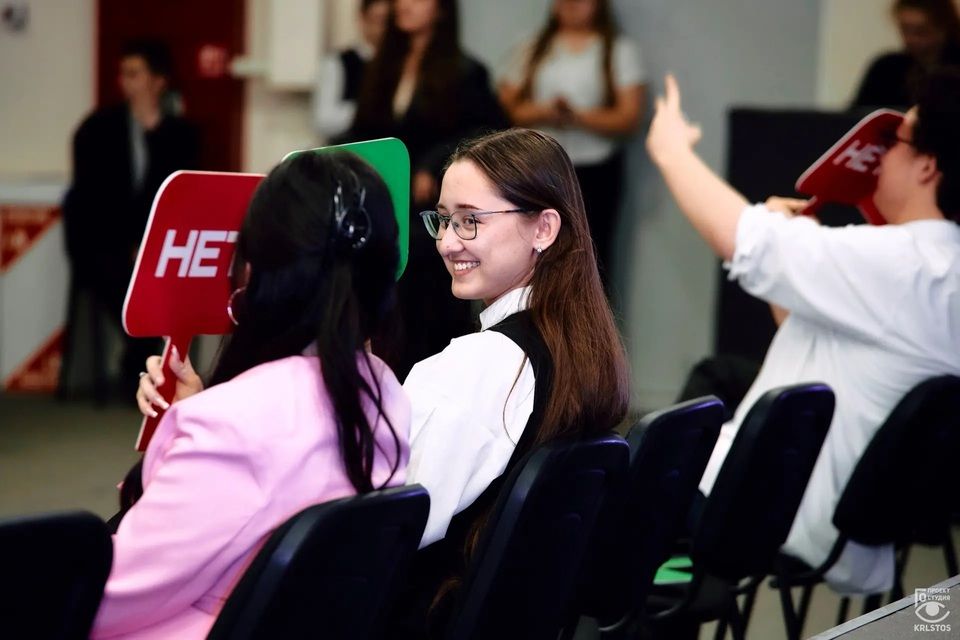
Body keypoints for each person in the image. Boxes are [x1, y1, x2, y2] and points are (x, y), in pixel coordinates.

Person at [647, 71, 960, 594]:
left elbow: (749, 243)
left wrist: (671, 151)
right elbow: (810, 333)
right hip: (840, 520)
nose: (880, 156)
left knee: (607, 504)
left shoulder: (904, 263)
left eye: (895, 142)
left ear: (928, 165)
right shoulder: (938, 269)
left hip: (775, 511)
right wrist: (795, 259)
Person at [94, 151, 410, 639]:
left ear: (256, 270)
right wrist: (200, 414)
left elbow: (106, 599)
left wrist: (199, 428)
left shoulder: (234, 429)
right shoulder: (383, 391)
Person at [395, 128, 631, 636]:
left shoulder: (479, 364)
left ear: (543, 228)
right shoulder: (584, 346)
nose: (446, 242)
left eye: (470, 221)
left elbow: (394, 527)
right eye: (443, 219)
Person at [347, 0, 510, 379]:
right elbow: (362, 130)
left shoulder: (465, 71)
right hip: (383, 203)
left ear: (441, 9)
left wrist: (434, 164)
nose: (404, 5)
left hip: (431, 209)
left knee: (426, 302)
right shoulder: (380, 66)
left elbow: (488, 132)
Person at [62, 40, 199, 397]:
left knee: (172, 278)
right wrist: (129, 244)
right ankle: (141, 361)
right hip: (104, 243)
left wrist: (148, 244)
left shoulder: (180, 134)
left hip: (156, 243)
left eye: (135, 73)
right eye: (124, 74)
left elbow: (179, 198)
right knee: (122, 278)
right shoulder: (98, 129)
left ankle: (140, 365)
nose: (126, 82)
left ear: (159, 80)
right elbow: (93, 199)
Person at [498, 0, 645, 290]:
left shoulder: (618, 50)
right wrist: (546, 113)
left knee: (590, 254)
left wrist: (575, 116)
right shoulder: (532, 47)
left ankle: (586, 318)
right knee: (535, 252)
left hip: (595, 169)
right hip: (539, 167)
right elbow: (506, 106)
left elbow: (629, 117)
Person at [852, 0, 960, 108]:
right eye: (905, 29)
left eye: (921, 31)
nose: (911, 39)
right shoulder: (886, 68)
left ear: (944, 28)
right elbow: (856, 114)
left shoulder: (955, 67)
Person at [312, 0, 390, 141]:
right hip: (352, 146)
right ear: (362, 19)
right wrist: (366, 109)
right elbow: (324, 121)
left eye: (389, 21)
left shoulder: (403, 63)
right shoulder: (338, 62)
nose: (383, 28)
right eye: (378, 20)